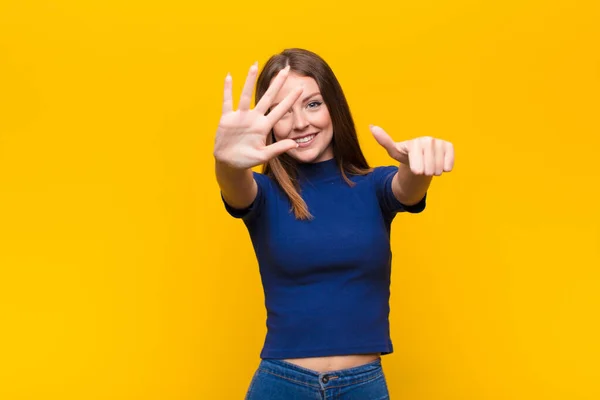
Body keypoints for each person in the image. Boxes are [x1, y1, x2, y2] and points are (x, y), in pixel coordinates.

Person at [214, 48, 454, 399]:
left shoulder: (374, 186)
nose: (299, 123)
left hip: (363, 386)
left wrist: (419, 164)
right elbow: (234, 185)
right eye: (283, 111)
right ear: (267, 122)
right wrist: (226, 163)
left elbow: (407, 186)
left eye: (312, 104)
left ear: (334, 107)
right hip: (282, 384)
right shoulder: (262, 194)